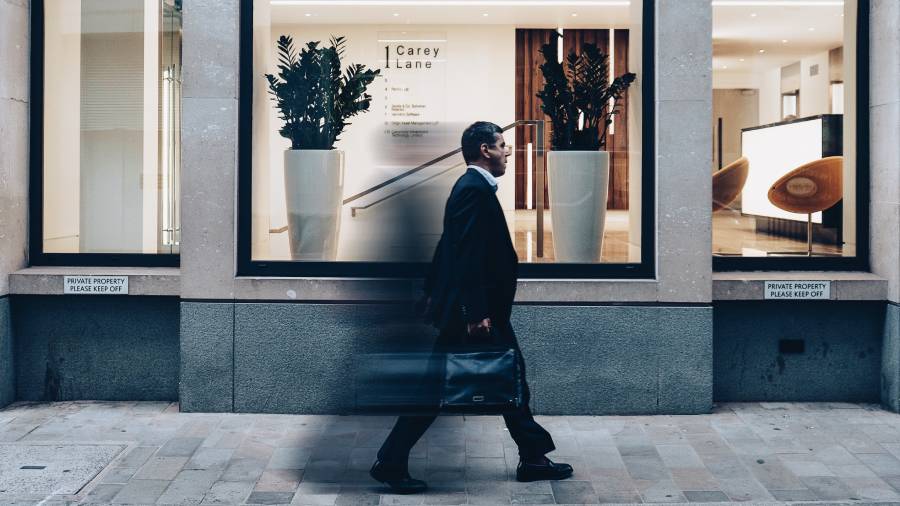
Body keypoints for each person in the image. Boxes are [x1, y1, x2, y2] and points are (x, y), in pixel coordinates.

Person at [370, 121, 573, 494]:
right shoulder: (473, 190)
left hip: (474, 310)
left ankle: (532, 456)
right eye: (502, 145)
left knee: (508, 376)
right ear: (484, 150)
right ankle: (391, 460)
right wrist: (476, 313)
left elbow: (448, 243)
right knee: (448, 387)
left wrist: (432, 289)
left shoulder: (473, 188)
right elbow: (464, 253)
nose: (507, 151)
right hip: (476, 314)